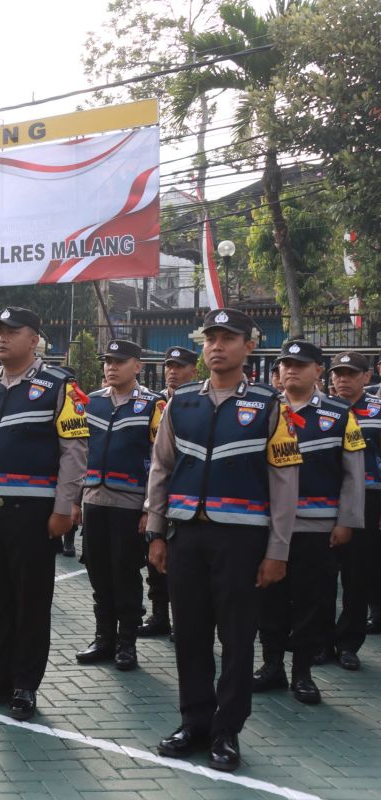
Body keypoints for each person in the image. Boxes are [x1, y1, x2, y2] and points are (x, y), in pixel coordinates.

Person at [145, 308, 300, 772]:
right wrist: (155, 531)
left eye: (228, 338)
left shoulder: (272, 406)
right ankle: (194, 722)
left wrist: (278, 549)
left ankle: (226, 730)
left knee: (236, 639)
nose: (217, 346)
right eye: (211, 338)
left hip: (242, 541)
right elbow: (161, 468)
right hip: (186, 535)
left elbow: (284, 482)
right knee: (188, 633)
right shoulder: (182, 401)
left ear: (249, 346)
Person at [0, 307, 88, 721]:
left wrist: (64, 508)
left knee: (30, 602)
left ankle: (25, 686)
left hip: (33, 515)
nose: (2, 339)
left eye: (12, 332)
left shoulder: (61, 387)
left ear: (35, 339)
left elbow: (74, 453)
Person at [253, 340, 362, 705]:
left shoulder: (339, 414)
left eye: (300, 364)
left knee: (311, 603)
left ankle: (302, 673)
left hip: (317, 527)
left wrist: (346, 521)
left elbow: (353, 475)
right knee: (269, 599)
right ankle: (271, 666)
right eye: (285, 364)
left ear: (319, 370)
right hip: (268, 527)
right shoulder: (263, 409)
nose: (291, 370)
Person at [75, 339, 164, 672]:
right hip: (94, 499)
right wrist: (74, 500)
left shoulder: (153, 405)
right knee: (98, 571)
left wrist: (149, 510)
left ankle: (126, 643)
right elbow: (79, 452)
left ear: (137, 366)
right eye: (107, 361)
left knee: (125, 572)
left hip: (130, 503)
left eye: (119, 361)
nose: (111, 367)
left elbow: (160, 461)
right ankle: (103, 638)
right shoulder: (91, 402)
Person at [139, 345, 198, 638]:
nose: (172, 372)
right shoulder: (155, 403)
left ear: (193, 371)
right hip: (157, 491)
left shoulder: (198, 404)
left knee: (184, 567)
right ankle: (159, 615)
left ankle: (181, 620)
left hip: (187, 496)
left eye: (179, 366)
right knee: (155, 560)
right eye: (168, 366)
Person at [329, 351, 381, 655]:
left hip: (368, 499)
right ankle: (320, 642)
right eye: (338, 373)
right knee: (322, 577)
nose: (343, 379)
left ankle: (349, 642)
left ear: (367, 377)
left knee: (357, 574)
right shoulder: (322, 408)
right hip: (324, 499)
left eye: (350, 374)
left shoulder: (377, 410)